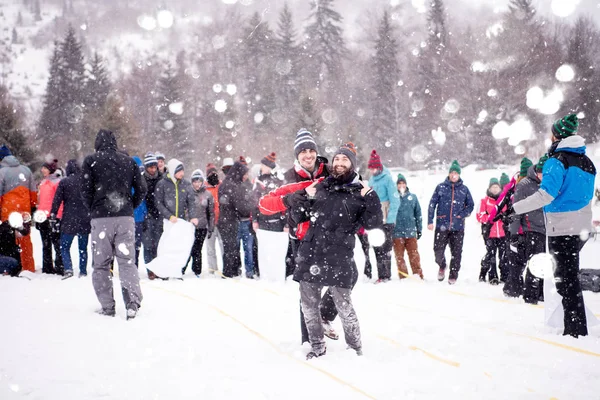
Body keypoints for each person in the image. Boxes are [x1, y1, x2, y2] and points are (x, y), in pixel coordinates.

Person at [287, 142, 383, 359]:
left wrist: (372, 198)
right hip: (311, 251)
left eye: (344, 160)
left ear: (352, 164)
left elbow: (372, 223)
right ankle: (317, 347)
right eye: (337, 159)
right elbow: (297, 216)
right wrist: (303, 196)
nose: (339, 163)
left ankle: (355, 349)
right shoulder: (321, 187)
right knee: (309, 306)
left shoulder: (360, 193)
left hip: (339, 255)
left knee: (344, 307)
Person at [511, 114, 596, 338]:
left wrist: (517, 207)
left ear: (557, 135)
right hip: (582, 227)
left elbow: (546, 195)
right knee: (570, 278)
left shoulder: (557, 160)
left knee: (565, 280)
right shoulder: (587, 162)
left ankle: (576, 331)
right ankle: (577, 326)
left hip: (561, 227)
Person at [258, 128, 338, 343]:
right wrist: (289, 200)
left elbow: (353, 180)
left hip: (329, 237)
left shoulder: (330, 172)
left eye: (311, 150)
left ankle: (325, 315)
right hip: (302, 241)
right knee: (308, 292)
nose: (308, 155)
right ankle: (310, 340)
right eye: (303, 152)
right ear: (297, 155)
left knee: (343, 278)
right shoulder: (287, 178)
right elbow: (264, 205)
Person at [81, 129, 147, 319]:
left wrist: (94, 208)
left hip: (101, 220)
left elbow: (84, 190)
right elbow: (142, 188)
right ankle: (132, 302)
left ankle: (107, 306)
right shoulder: (129, 161)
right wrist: (130, 206)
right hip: (125, 218)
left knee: (101, 264)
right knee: (127, 261)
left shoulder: (91, 161)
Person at [506, 155, 548, 303]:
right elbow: (516, 210)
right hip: (531, 229)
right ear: (537, 171)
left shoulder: (549, 183)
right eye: (543, 173)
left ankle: (541, 293)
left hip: (547, 230)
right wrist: (514, 234)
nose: (545, 176)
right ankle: (530, 295)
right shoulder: (524, 185)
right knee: (534, 262)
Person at [427, 160, 474, 284]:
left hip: (458, 227)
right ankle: (442, 265)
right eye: (452, 173)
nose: (454, 175)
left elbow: (470, 205)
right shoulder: (441, 187)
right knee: (437, 250)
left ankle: (453, 275)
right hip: (442, 225)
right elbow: (432, 204)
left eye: (456, 173)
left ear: (459, 175)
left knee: (456, 253)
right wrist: (430, 220)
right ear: (448, 174)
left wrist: (461, 215)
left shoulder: (464, 189)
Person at [50, 160, 91, 279]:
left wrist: (53, 213)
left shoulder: (64, 182)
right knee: (83, 248)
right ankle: (83, 271)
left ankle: (68, 269)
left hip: (69, 218)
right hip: (85, 218)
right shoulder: (86, 181)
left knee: (64, 246)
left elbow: (57, 200)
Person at [0, 145, 37, 272]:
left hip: (8, 211)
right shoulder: (26, 170)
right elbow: (33, 193)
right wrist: (32, 207)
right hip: (24, 210)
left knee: (9, 240)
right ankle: (28, 266)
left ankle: (13, 267)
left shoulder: (1, 172)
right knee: (25, 238)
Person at [252, 152, 287, 281]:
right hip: (262, 222)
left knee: (276, 252)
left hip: (276, 221)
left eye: (263, 165)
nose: (261, 167)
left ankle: (277, 277)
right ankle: (265, 276)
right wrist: (255, 219)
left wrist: (286, 223)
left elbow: (285, 203)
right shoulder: (258, 180)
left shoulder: (278, 181)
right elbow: (254, 203)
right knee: (264, 251)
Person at [367, 150, 399, 283]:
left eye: (375, 168)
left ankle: (386, 275)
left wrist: (390, 219)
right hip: (375, 219)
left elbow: (395, 200)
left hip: (386, 217)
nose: (373, 171)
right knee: (376, 247)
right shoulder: (371, 181)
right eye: (371, 168)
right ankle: (381, 275)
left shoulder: (388, 179)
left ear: (379, 167)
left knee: (385, 248)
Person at [218, 160, 253, 278]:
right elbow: (241, 207)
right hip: (230, 221)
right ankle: (228, 273)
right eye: (245, 174)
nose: (246, 177)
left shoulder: (226, 183)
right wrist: (253, 207)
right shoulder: (233, 186)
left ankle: (230, 272)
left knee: (229, 248)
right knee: (231, 248)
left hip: (225, 221)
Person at [476, 177, 507, 284]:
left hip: (503, 233)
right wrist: (490, 219)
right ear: (489, 188)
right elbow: (479, 216)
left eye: (496, 187)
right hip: (490, 234)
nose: (494, 189)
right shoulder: (484, 201)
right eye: (493, 187)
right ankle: (492, 276)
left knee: (504, 256)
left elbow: (508, 213)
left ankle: (505, 276)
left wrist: (503, 218)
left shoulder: (504, 200)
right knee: (491, 255)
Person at [392, 173, 423, 280]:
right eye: (399, 183)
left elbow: (418, 214)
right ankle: (403, 277)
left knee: (414, 256)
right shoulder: (393, 197)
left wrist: (419, 229)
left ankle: (417, 275)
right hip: (396, 233)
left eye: (403, 183)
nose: (401, 185)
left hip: (411, 232)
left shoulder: (412, 197)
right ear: (396, 185)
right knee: (399, 257)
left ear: (406, 184)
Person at [184, 169, 214, 276]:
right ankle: (182, 268)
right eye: (194, 181)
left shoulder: (208, 195)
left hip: (202, 226)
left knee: (197, 249)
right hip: (190, 227)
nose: (197, 184)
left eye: (199, 181)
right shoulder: (188, 193)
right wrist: (189, 219)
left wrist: (210, 227)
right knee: (189, 248)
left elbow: (210, 213)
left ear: (202, 182)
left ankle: (197, 270)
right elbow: (185, 209)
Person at [37, 159, 64, 275]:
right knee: (45, 243)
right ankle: (47, 267)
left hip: (54, 216)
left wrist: (58, 215)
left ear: (50, 169)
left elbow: (60, 201)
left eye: (45, 168)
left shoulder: (57, 182)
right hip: (42, 217)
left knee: (56, 243)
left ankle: (59, 266)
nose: (42, 170)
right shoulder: (43, 182)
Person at [141, 153, 163, 279]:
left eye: (154, 167)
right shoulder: (142, 179)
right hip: (146, 215)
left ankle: (158, 268)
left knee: (159, 244)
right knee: (148, 244)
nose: (153, 169)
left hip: (160, 214)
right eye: (150, 167)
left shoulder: (162, 178)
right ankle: (150, 269)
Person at [205, 163, 223, 274]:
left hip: (222, 222)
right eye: (210, 173)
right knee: (210, 248)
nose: (213, 174)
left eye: (214, 172)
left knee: (223, 247)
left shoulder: (222, 186)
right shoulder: (205, 188)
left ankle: (226, 267)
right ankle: (212, 269)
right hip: (209, 223)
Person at [132, 156, 147, 268]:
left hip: (140, 219)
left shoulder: (142, 182)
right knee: (131, 245)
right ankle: (131, 265)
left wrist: (145, 214)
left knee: (137, 245)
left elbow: (144, 201)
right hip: (130, 218)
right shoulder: (128, 183)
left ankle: (135, 265)